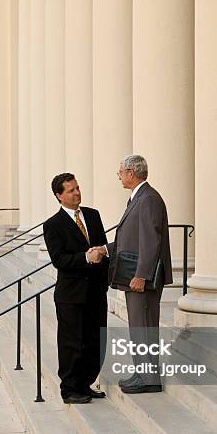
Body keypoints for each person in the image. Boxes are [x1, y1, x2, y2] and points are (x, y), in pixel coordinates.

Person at [95, 155, 173, 393]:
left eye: (120, 172)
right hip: (135, 277)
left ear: (131, 173)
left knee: (144, 326)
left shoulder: (148, 199)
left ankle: (148, 379)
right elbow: (128, 238)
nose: (118, 176)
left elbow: (151, 241)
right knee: (139, 327)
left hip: (142, 279)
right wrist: (105, 249)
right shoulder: (138, 198)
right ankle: (142, 373)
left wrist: (142, 275)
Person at [43, 173, 109, 404]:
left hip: (96, 291)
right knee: (72, 343)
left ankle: (86, 383)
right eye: (71, 190)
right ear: (59, 196)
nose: (77, 193)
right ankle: (70, 389)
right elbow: (59, 259)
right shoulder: (53, 225)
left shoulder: (93, 215)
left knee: (95, 339)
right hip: (71, 294)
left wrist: (103, 256)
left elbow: (101, 245)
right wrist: (86, 258)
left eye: (78, 188)